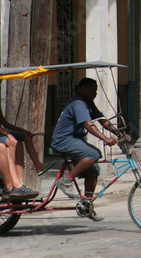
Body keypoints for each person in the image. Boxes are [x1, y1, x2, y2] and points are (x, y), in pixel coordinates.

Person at [50, 78, 120, 219]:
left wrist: (120, 133)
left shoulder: (88, 102)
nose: (95, 93)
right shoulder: (78, 103)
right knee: (94, 153)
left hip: (75, 139)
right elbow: (88, 124)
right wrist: (105, 139)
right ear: (82, 89)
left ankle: (86, 206)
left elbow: (102, 120)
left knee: (93, 170)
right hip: (64, 140)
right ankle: (66, 180)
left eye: (95, 90)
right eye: (92, 90)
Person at [0, 82, 46, 174]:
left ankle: (37, 166)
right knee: (12, 142)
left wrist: (23, 130)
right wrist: (8, 135)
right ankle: (12, 174)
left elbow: (5, 123)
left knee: (25, 138)